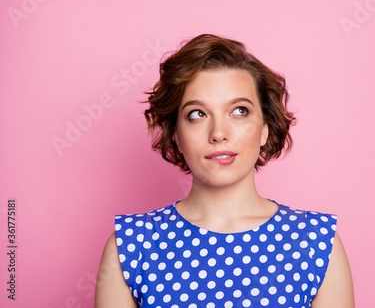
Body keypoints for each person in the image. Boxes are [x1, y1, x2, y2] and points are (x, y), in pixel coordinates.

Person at [95, 34, 354, 307]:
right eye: (197, 114)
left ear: (265, 129)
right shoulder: (130, 247)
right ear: (176, 136)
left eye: (240, 111)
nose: (219, 133)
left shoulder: (316, 244)